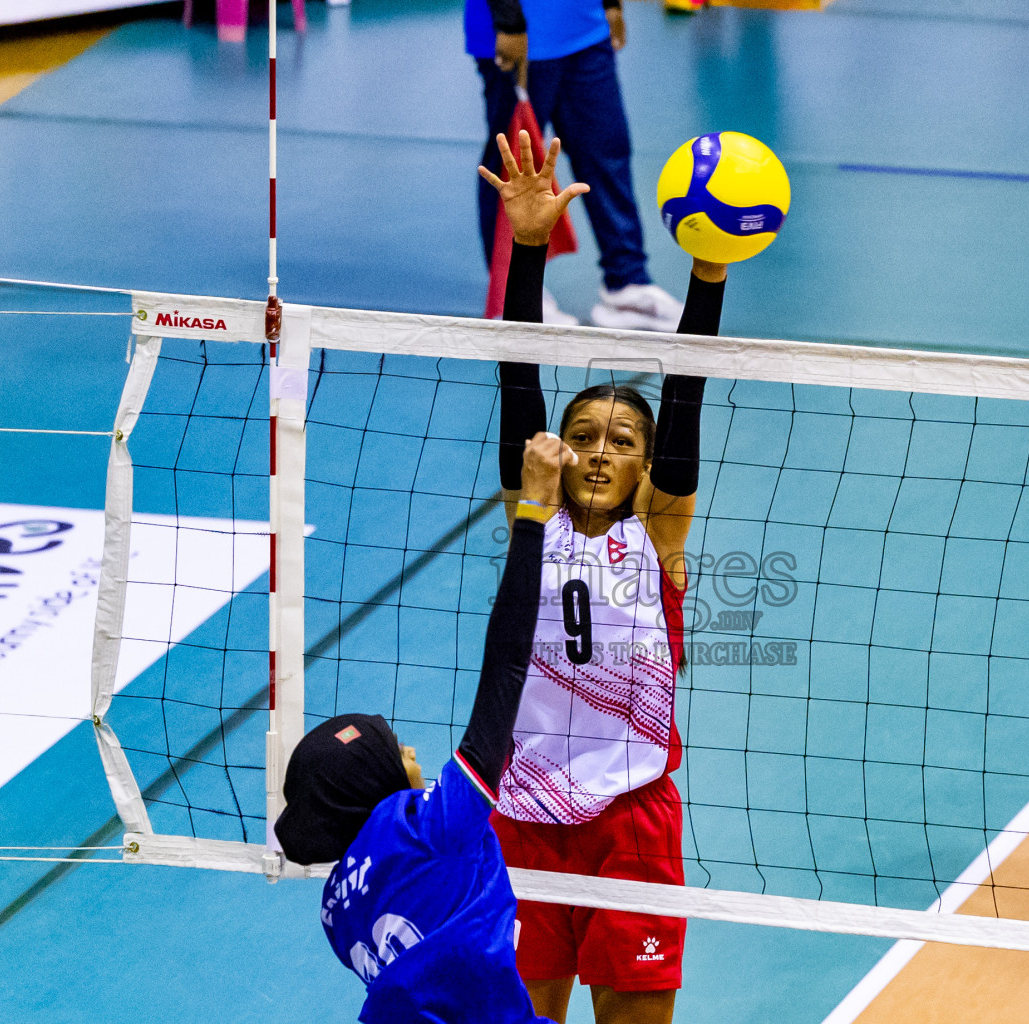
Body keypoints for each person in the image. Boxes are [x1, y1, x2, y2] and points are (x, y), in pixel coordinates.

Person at [477, 129, 722, 1024]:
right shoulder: (529, 519)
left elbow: (687, 392)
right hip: (526, 813)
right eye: (582, 435)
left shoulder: (658, 535)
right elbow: (516, 376)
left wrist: (711, 269)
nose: (597, 450)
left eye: (622, 442)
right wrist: (530, 245)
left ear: (647, 470)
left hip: (632, 823)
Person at [273, 430, 577, 1024]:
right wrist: (534, 510)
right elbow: (507, 666)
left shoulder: (336, 908)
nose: (408, 747)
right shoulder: (433, 826)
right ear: (369, 780)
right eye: (392, 748)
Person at [465, 0, 686, 330]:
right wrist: (509, 23)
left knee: (607, 153)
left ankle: (627, 284)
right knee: (514, 166)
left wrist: (611, 5)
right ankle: (514, 294)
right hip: (518, 36)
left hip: (586, 29)